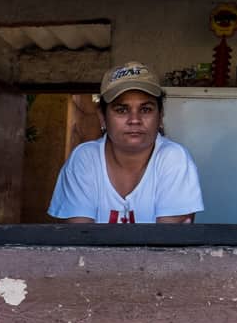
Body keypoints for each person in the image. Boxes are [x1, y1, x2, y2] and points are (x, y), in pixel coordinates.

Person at [47, 62, 203, 224]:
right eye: (121, 110)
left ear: (161, 115)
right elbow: (80, 239)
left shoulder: (174, 159)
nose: (134, 120)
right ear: (102, 117)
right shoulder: (85, 159)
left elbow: (166, 243)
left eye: (146, 109)